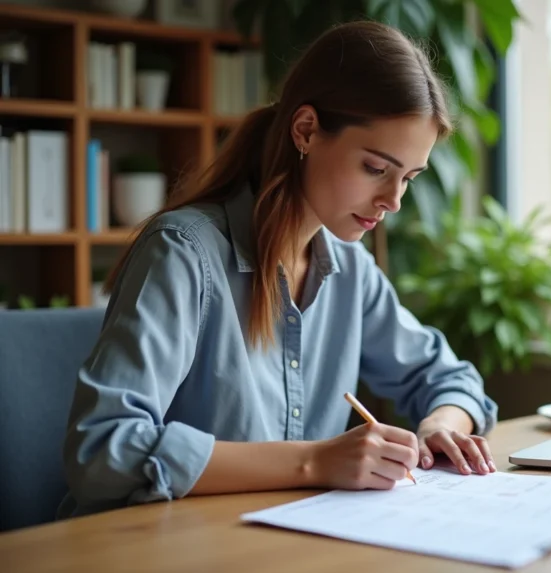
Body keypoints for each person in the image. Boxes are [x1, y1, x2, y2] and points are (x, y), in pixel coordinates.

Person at [58, 20, 499, 519]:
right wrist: (313, 462)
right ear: (306, 130)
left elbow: (449, 379)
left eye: (409, 178)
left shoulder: (350, 268)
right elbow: (103, 451)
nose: (393, 201)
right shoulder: (182, 253)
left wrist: (441, 424)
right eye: (376, 169)